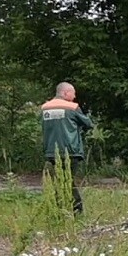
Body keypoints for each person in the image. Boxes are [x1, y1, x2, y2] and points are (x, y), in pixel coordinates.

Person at [40, 81, 94, 214]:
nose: (74, 96)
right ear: (65, 93)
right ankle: (77, 209)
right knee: (68, 180)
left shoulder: (45, 108)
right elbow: (88, 124)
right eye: (73, 93)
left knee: (60, 179)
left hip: (51, 150)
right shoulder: (72, 107)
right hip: (70, 150)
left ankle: (60, 208)